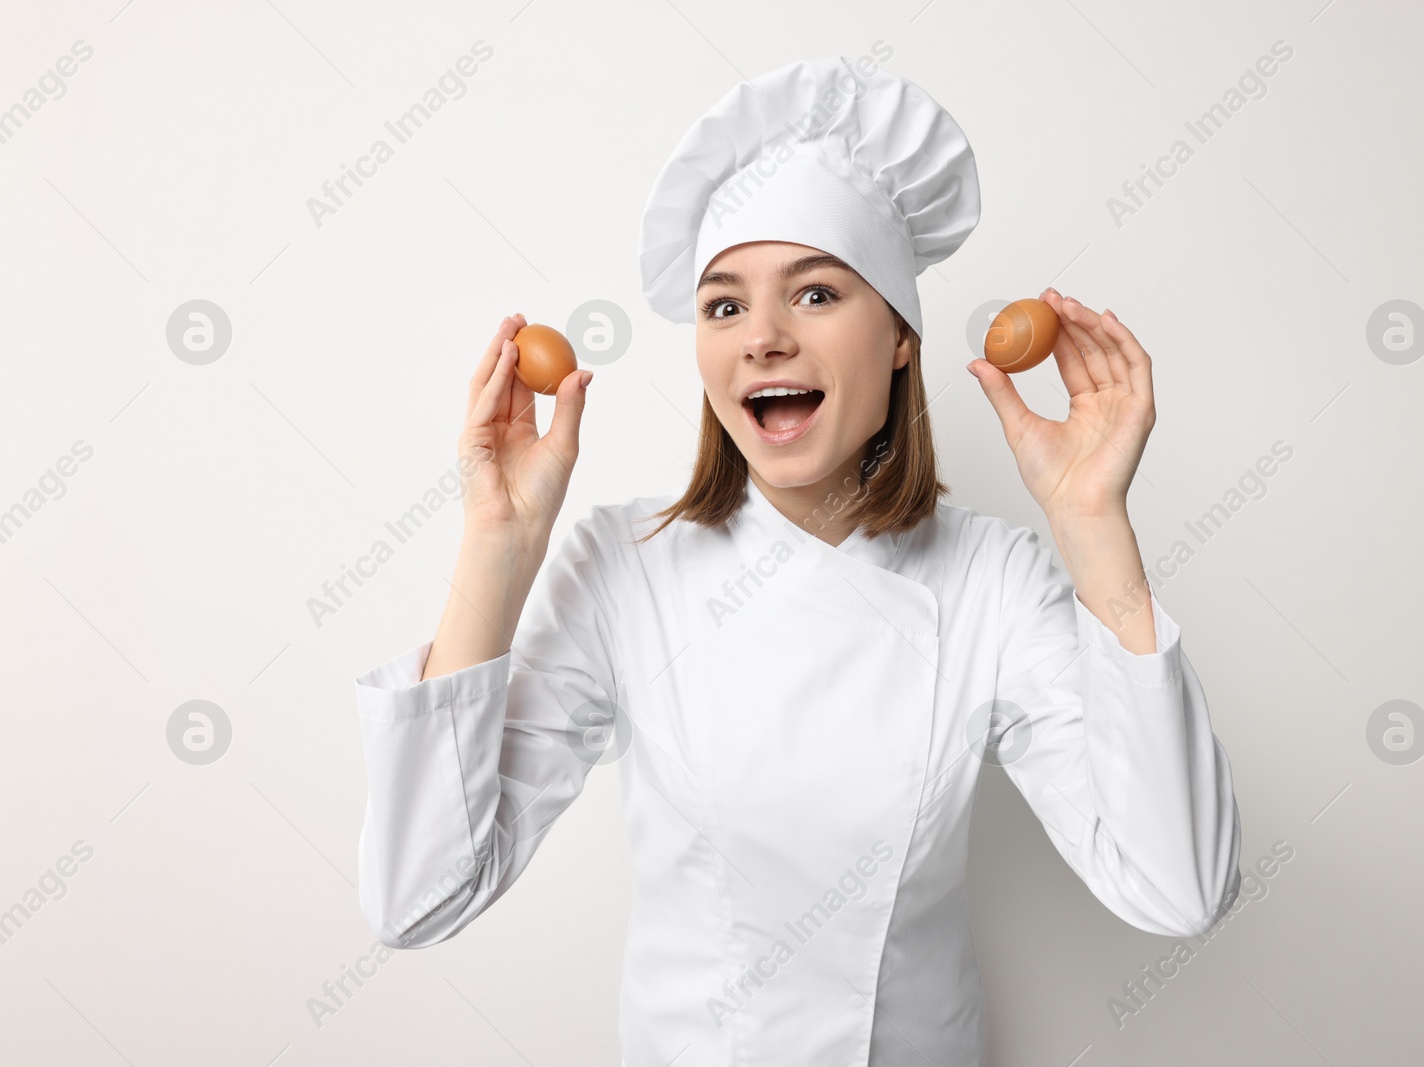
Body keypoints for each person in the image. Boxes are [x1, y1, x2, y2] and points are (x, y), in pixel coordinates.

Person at [352, 54, 1241, 1065]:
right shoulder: (621, 566)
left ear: (899, 335)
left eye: (814, 294)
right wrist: (498, 543)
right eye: (724, 306)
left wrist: (1093, 522)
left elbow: (1179, 886)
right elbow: (418, 898)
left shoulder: (991, 578)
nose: (761, 338)